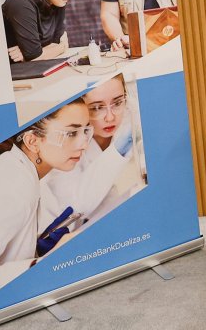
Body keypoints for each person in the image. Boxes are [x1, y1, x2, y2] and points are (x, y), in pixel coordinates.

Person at [0, 100, 92, 294]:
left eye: (85, 131)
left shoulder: (22, 173)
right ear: (32, 141)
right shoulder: (13, 187)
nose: (84, 143)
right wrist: (44, 263)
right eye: (71, 133)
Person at [43, 75, 138, 227]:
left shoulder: (132, 114)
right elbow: (75, 207)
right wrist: (117, 151)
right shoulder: (61, 144)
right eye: (96, 108)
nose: (110, 117)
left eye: (117, 102)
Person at [2, 0, 76, 63]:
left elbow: (56, 42)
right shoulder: (20, 3)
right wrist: (61, 47)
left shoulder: (57, 1)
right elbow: (35, 57)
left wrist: (29, 54)